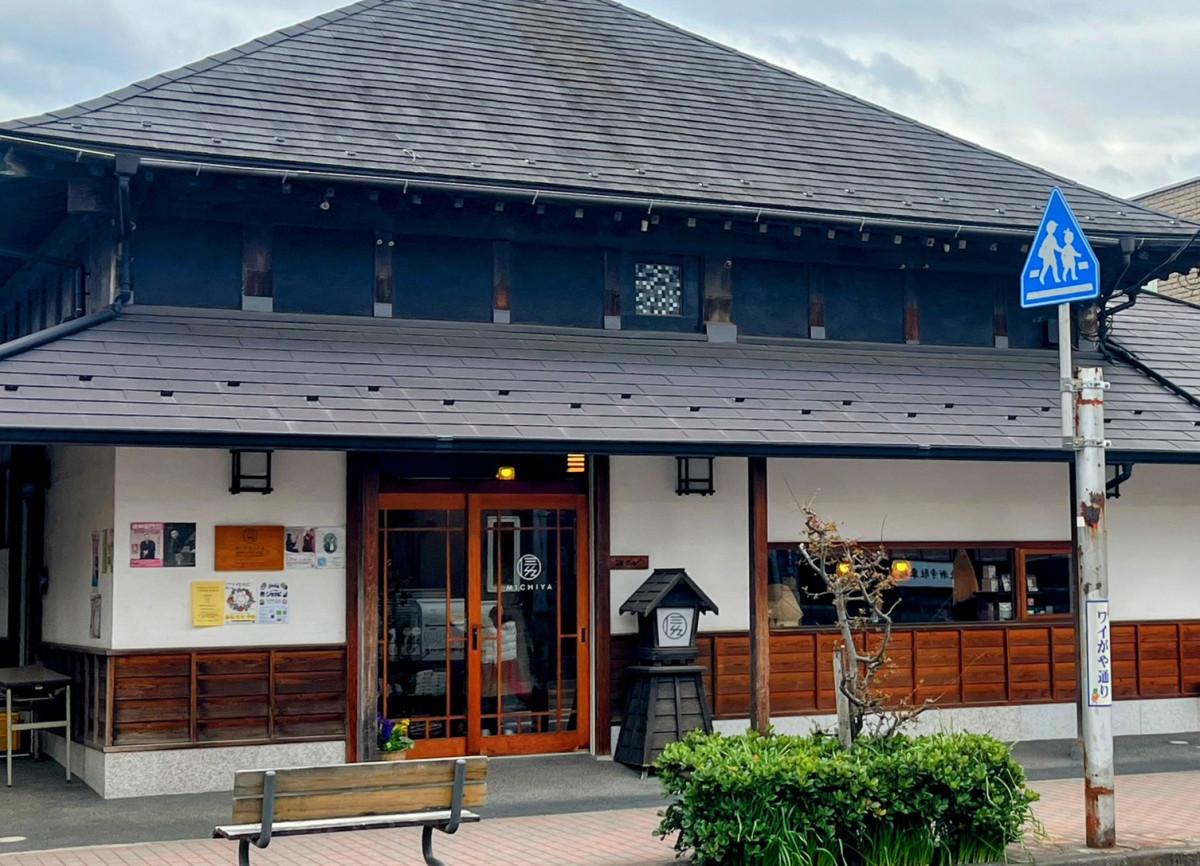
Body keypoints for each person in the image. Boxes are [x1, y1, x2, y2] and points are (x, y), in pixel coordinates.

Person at [1037, 220, 1061, 284]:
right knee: (1046, 267)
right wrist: (1062, 250)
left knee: (1054, 267)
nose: (1055, 229)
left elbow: (1056, 247)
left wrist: (1062, 250)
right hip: (1048, 256)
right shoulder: (1049, 238)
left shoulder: (1052, 238)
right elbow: (1056, 247)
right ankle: (1042, 278)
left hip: (1051, 256)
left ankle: (1056, 278)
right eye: (1054, 228)